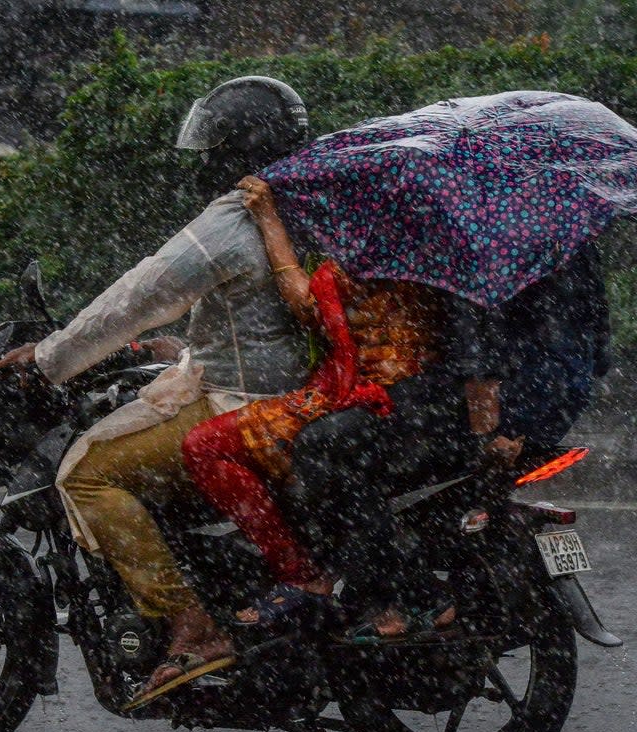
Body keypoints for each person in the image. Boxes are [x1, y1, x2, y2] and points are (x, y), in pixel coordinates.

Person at [0, 76, 313, 703]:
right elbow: (263, 324)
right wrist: (184, 352)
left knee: (85, 472)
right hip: (297, 397)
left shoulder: (234, 219)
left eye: (212, 149)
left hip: (241, 406)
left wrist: (51, 357)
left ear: (233, 150)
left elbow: (139, 297)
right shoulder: (305, 202)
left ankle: (191, 624)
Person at [287, 244, 609, 638]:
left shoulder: (481, 240)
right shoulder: (567, 234)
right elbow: (600, 344)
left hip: (496, 406)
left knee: (323, 448)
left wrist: (488, 429)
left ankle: (409, 592)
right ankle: (372, 578)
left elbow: (476, 344)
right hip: (558, 406)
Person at [181, 175, 450, 629]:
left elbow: (303, 303)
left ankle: (300, 574)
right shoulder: (433, 258)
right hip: (425, 402)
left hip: (358, 397)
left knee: (203, 446)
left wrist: (268, 218)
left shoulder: (360, 264)